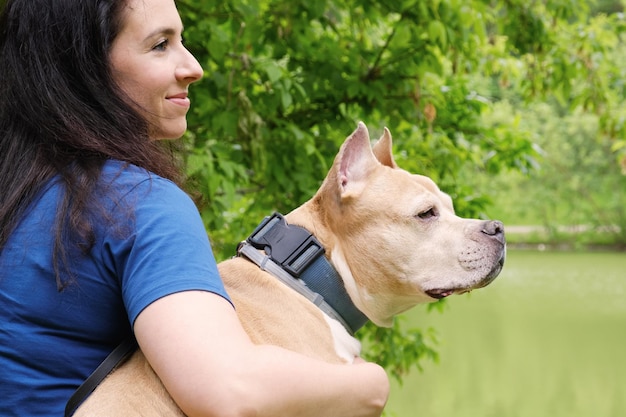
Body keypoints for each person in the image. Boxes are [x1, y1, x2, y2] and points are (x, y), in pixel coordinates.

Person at [0, 0, 390, 416]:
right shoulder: (137, 205)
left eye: (181, 40)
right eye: (159, 45)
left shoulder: (18, 187)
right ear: (86, 66)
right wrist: (367, 384)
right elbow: (231, 390)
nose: (193, 66)